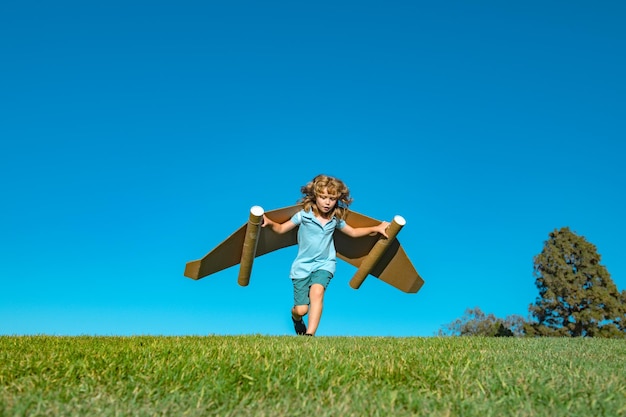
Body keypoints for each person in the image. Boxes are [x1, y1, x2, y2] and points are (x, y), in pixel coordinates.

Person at [262, 174, 389, 336]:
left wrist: (376, 228)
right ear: (315, 196)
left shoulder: (335, 219)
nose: (327, 202)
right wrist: (268, 222)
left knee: (317, 292)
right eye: (323, 197)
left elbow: (353, 232)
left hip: (324, 264)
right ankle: (296, 318)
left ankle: (310, 334)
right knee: (301, 309)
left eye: (332, 198)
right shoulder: (304, 215)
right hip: (302, 267)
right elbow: (280, 229)